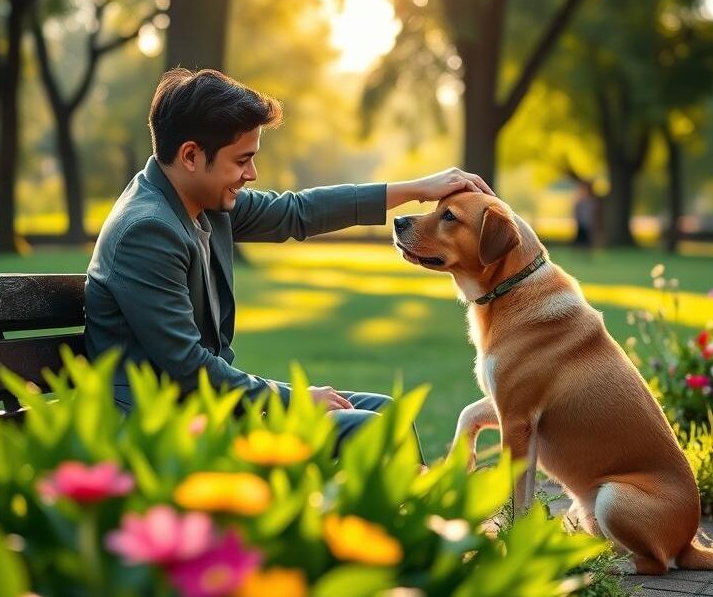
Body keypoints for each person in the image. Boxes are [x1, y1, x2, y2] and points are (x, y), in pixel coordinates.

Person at [85, 68, 493, 453]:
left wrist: (417, 188)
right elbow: (188, 366)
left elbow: (297, 212)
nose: (252, 174)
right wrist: (293, 399)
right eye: (242, 160)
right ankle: (403, 521)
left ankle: (408, 520)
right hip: (162, 429)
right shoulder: (147, 230)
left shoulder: (199, 201)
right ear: (191, 155)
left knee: (386, 410)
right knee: (369, 425)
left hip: (210, 405)